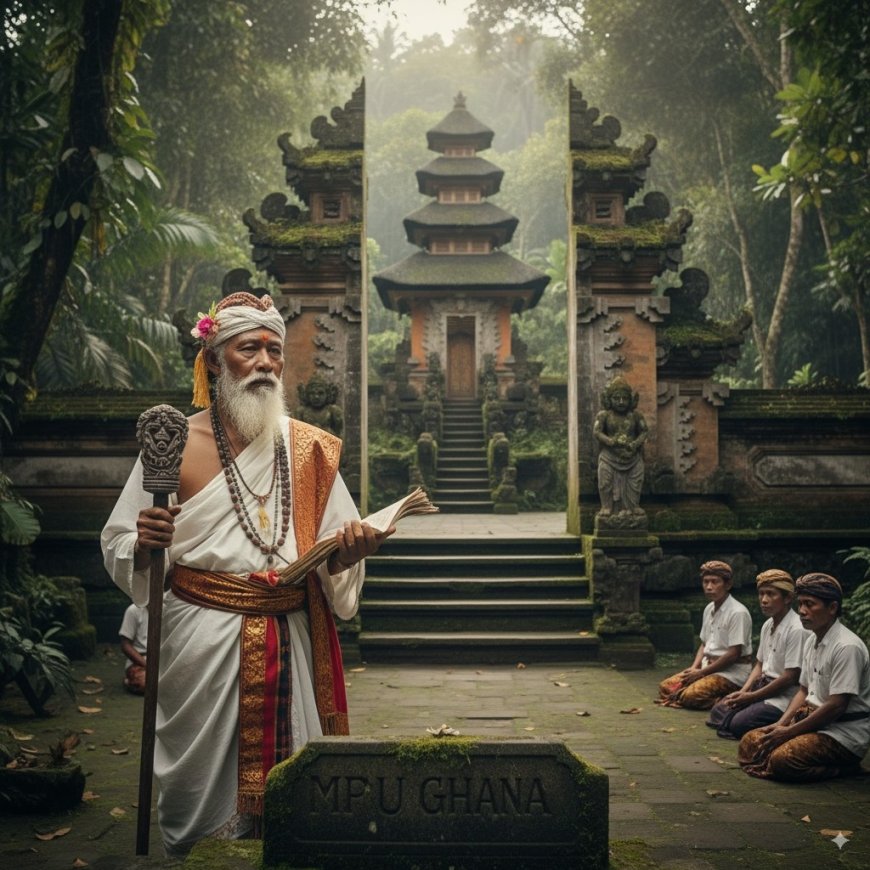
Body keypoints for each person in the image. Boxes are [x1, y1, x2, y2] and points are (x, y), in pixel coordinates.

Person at [101, 292, 393, 856]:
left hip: (291, 635)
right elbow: (117, 541)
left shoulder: (308, 449)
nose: (265, 362)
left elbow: (334, 546)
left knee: (296, 806)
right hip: (200, 642)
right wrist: (144, 543)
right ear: (213, 361)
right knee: (200, 810)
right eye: (248, 348)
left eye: (274, 350)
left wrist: (349, 553)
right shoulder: (173, 446)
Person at [738, 573, 870, 781]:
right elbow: (803, 690)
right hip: (809, 720)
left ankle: (844, 769)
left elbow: (837, 705)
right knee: (750, 742)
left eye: (810, 604)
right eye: (800, 604)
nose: (801, 611)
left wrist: (789, 733)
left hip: (842, 733)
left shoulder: (847, 647)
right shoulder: (812, 639)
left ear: (832, 608)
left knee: (782, 760)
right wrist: (782, 724)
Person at [707, 569, 807, 738]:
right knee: (719, 710)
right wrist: (744, 692)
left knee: (738, 723)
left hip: (784, 695)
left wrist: (751, 697)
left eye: (770, 594)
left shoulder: (797, 629)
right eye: (761, 594)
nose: (764, 600)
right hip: (761, 686)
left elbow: (789, 677)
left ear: (788, 598)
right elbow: (760, 664)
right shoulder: (768, 625)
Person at [658, 560, 753, 709]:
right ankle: (687, 696)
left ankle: (724, 701)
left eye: (715, 582)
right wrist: (693, 669)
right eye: (705, 582)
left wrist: (701, 673)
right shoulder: (709, 608)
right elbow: (704, 644)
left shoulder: (738, 612)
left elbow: (733, 654)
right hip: (705, 668)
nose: (709, 587)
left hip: (731, 673)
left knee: (690, 696)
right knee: (666, 687)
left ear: (727, 585)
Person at [593, 376, 648, 517]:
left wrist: (635, 444)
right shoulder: (604, 415)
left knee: (635, 482)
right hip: (609, 456)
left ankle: (632, 506)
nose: (621, 402)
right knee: (605, 481)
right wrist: (610, 441)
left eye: (625, 398)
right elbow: (597, 431)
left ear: (630, 400)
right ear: (609, 399)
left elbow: (644, 431)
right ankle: (607, 507)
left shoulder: (635, 416)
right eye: (616, 398)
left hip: (632, 457)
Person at [118, 602, 148, 695]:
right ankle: (130, 681)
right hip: (139, 660)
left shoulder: (170, 608)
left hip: (163, 660)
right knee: (146, 684)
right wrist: (147, 665)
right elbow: (125, 645)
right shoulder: (134, 610)